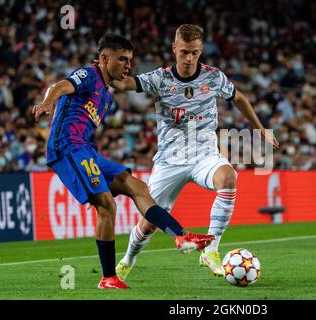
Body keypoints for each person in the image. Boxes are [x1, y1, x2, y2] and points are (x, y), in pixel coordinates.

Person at [30, 33, 215, 289]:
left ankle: (181, 237)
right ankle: (108, 277)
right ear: (104, 58)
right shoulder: (88, 75)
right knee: (106, 205)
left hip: (87, 150)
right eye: (122, 59)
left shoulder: (105, 96)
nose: (128, 65)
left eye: (130, 60)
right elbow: (60, 86)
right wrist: (47, 103)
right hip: (67, 147)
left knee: (136, 186)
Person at [112, 25, 279, 279]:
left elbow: (239, 98)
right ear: (175, 48)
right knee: (150, 223)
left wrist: (260, 129)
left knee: (229, 178)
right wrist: (103, 71)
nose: (189, 58)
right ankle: (127, 260)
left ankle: (211, 250)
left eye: (195, 53)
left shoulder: (213, 77)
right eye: (185, 52)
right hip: (170, 160)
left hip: (204, 155)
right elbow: (125, 84)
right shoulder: (160, 79)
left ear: (201, 51)